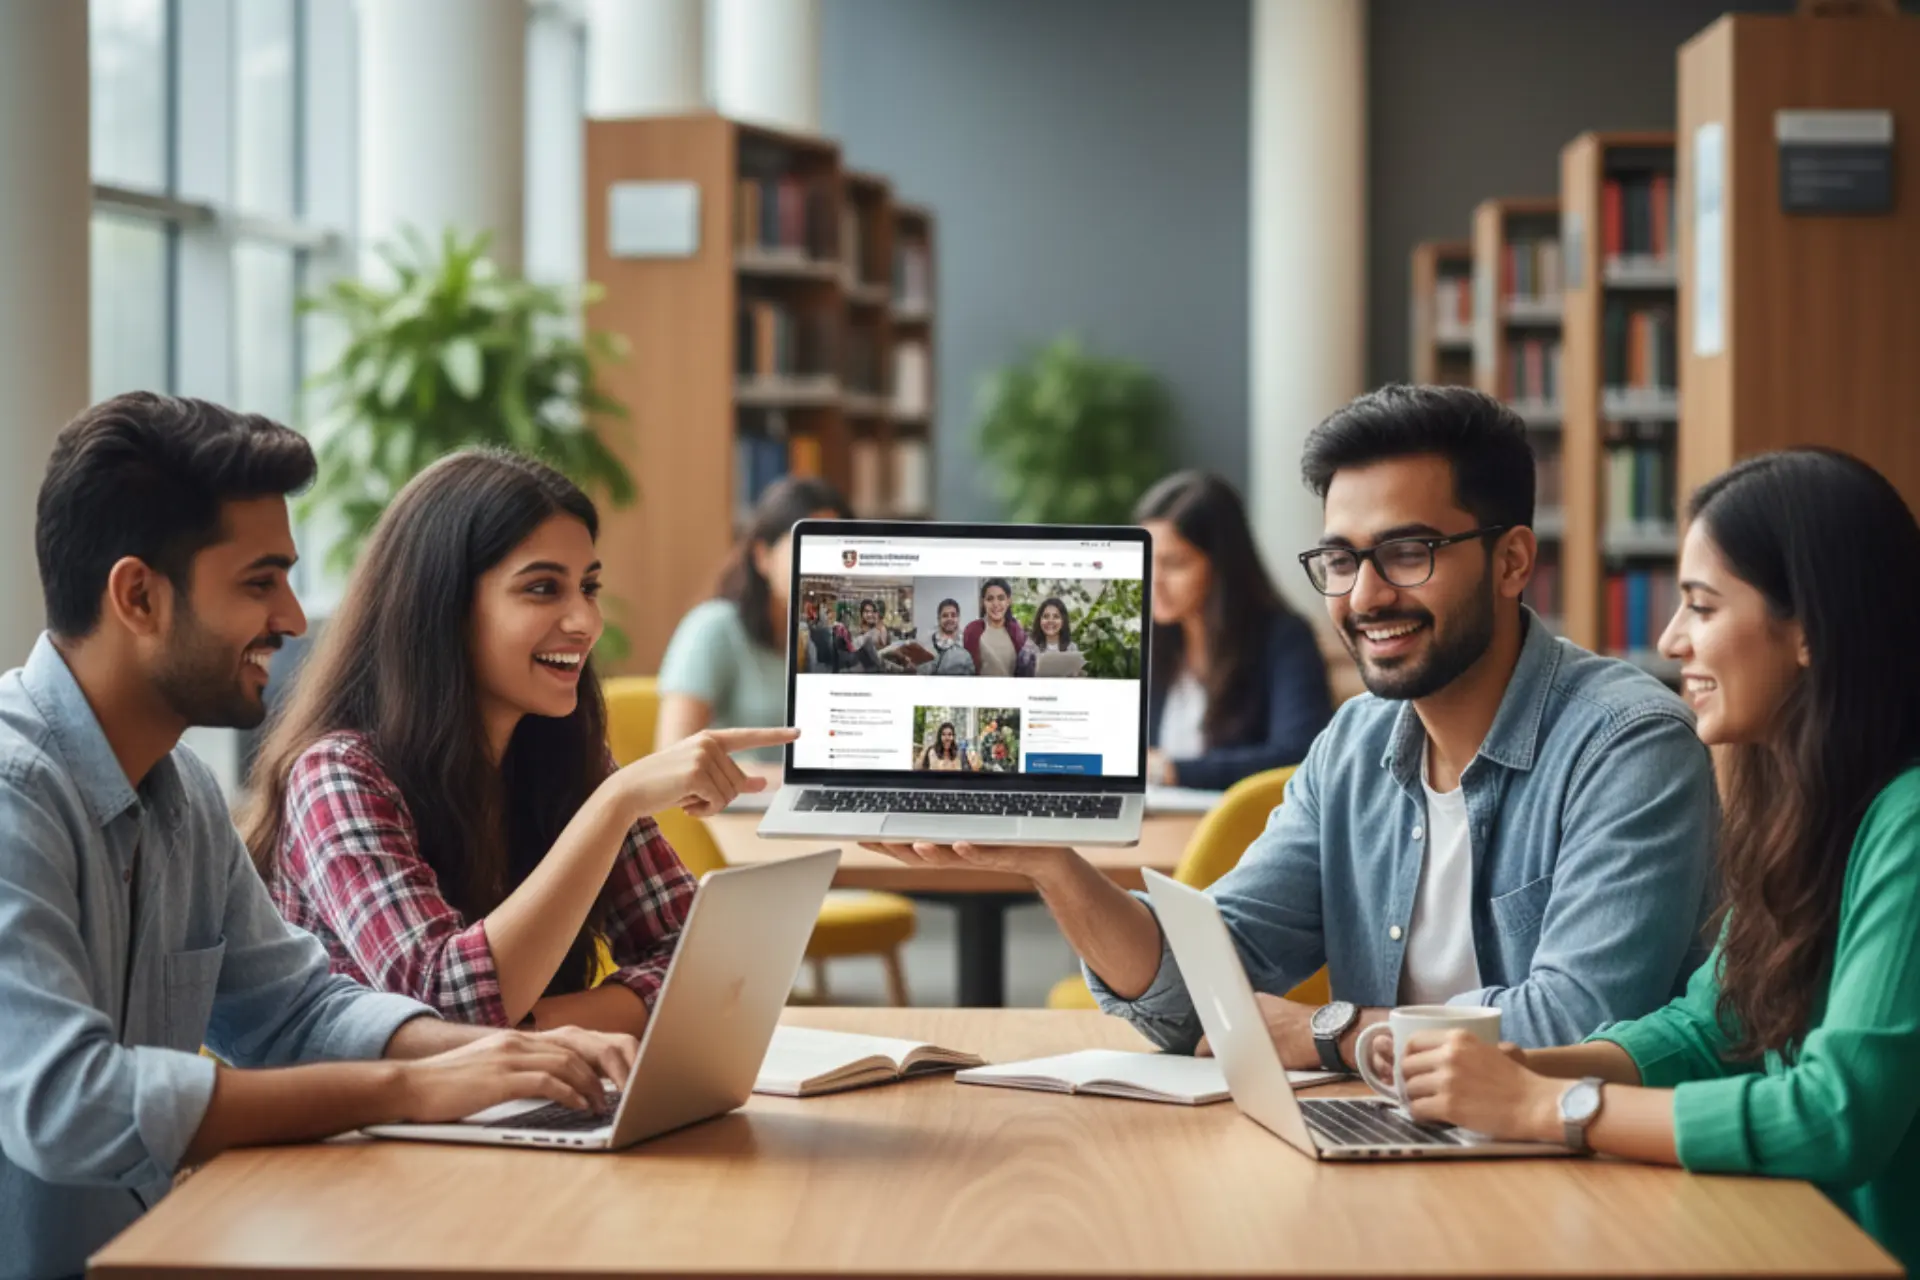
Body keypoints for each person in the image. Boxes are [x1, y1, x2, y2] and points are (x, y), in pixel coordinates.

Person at [867, 385, 1718, 1065]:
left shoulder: (1629, 744)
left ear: (1512, 560)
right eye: (1341, 559)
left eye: (1408, 552)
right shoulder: (1354, 746)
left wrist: (1331, 1033)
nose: (1366, 594)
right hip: (1384, 1148)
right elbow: (1196, 986)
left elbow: (1577, 1026)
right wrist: (1050, 862)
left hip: (1571, 1187)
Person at [0, 395, 635, 1280]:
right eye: (260, 582)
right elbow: (67, 1104)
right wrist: (411, 1085)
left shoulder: (180, 787)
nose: (295, 619)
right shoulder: (12, 796)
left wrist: (500, 1054)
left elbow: (298, 1009)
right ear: (138, 596)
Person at [1386, 449, 1920, 1271]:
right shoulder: (1806, 806)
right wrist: (1521, 1069)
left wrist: (1551, 1106)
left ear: (1809, 629)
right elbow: (1712, 1027)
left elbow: (1834, 1115)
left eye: (1702, 608)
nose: (1671, 639)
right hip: (1778, 1240)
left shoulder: (1910, 821)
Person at [246, 450, 794, 1037]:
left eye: (588, 587)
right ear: (444, 606)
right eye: (542, 588)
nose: (585, 620)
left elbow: (702, 956)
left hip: (514, 1105)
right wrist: (612, 806)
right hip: (365, 1126)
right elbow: (443, 1006)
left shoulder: (564, 755)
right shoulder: (338, 775)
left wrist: (536, 1027)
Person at [1136, 471, 1334, 788]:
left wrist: (1170, 770)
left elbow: (1299, 755)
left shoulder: (1284, 639)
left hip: (1243, 825)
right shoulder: (1152, 640)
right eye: (1146, 560)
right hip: (1160, 822)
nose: (1153, 580)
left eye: (1174, 564)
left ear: (1221, 565)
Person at [657, 477, 851, 767]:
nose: (826, 569)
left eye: (841, 552)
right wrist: (784, 784)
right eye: (810, 548)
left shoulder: (845, 639)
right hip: (734, 809)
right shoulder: (714, 628)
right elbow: (669, 761)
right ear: (763, 556)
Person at [964, 578, 1031, 677]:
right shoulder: (972, 630)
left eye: (1001, 598)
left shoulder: (1017, 632)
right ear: (983, 602)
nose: (995, 604)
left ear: (1008, 601)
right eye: (990, 599)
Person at [1020, 597, 1083, 675]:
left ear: (1063, 620)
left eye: (1056, 617)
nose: (1050, 621)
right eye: (1046, 616)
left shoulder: (1072, 648)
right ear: (1039, 620)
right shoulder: (1029, 647)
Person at [917, 597, 976, 677]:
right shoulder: (926, 642)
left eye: (953, 615)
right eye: (945, 616)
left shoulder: (966, 641)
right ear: (938, 619)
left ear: (958, 618)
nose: (949, 619)